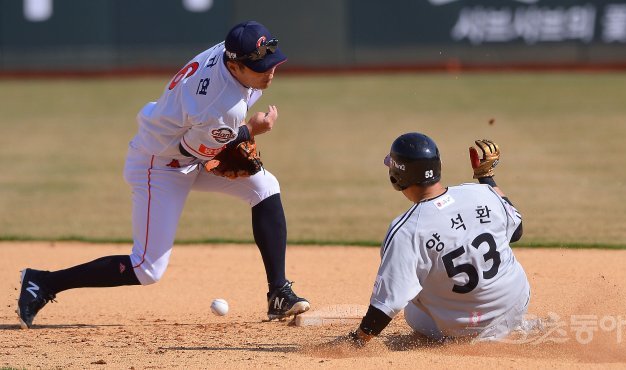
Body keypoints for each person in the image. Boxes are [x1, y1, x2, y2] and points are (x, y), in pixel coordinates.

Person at [16, 20, 310, 329]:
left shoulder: (230, 55)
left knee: (264, 187)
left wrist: (230, 140)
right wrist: (250, 130)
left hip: (188, 145)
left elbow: (202, 143)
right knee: (147, 268)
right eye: (260, 66)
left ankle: (279, 293)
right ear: (235, 66)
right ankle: (43, 283)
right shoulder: (222, 106)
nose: (269, 71)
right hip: (159, 163)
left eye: (271, 62)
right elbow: (194, 153)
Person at [345, 133, 530, 346]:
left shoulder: (407, 230)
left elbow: (387, 304)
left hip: (468, 330)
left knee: (411, 307)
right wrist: (485, 175)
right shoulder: (483, 193)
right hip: (517, 305)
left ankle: (471, 336)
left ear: (396, 177)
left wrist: (356, 341)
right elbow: (516, 232)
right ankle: (512, 327)